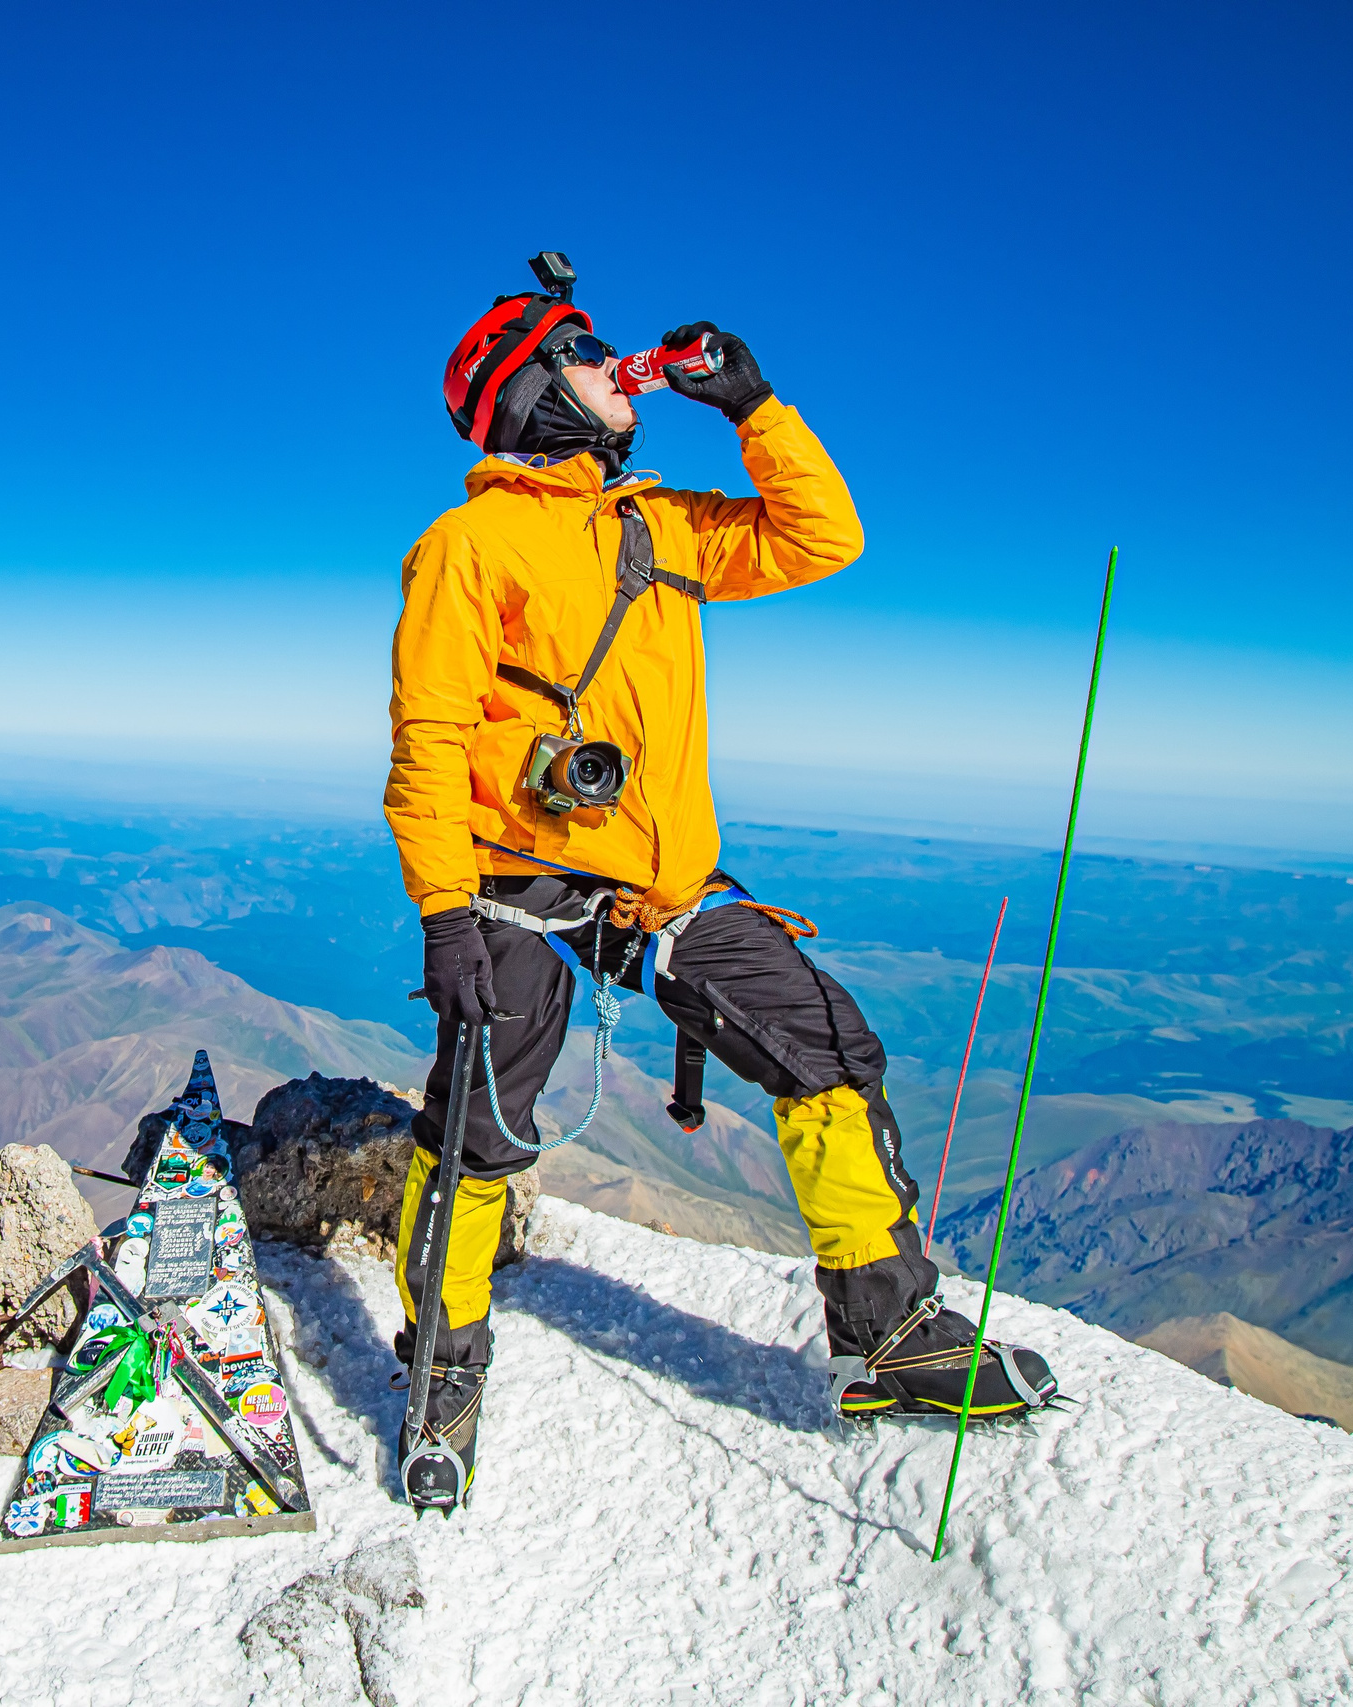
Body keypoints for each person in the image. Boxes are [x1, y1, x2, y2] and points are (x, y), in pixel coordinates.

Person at [384, 261, 1056, 1506]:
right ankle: (440, 1363)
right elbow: (426, 737)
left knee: (824, 1051)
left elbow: (821, 536)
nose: (612, 363)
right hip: (510, 880)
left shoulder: (658, 526)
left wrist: (756, 409)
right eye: (582, 350)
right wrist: (440, 912)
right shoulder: (466, 546)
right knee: (480, 1117)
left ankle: (890, 1339)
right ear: (535, 392)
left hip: (657, 880)